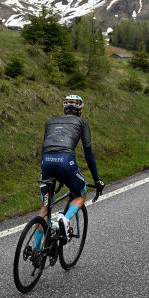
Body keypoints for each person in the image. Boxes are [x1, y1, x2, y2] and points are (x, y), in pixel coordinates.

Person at [35, 95, 104, 250]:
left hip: (46, 162)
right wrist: (97, 180)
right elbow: (88, 153)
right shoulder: (82, 123)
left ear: (64, 109)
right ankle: (64, 220)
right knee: (81, 194)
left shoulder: (50, 122)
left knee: (45, 207)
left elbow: (49, 147)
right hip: (66, 161)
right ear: (80, 112)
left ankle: (35, 251)